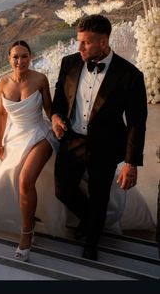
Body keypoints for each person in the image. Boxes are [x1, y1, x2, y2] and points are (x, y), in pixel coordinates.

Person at [51, 14, 148, 261]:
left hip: (105, 147)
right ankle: (90, 219)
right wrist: (54, 117)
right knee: (62, 190)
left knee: (99, 196)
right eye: (78, 41)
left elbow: (137, 122)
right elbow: (59, 101)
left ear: (104, 42)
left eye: (86, 42)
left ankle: (92, 242)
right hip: (72, 142)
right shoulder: (69, 63)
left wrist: (131, 163)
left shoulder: (130, 75)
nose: (79, 47)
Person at [0, 40, 64, 262]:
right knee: (1, 180)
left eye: (24, 56)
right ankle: (31, 219)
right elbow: (1, 114)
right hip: (15, 136)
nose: (20, 61)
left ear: (31, 57)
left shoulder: (40, 79)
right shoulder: (2, 83)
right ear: (9, 59)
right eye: (15, 56)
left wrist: (57, 123)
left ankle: (27, 234)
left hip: (40, 134)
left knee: (24, 180)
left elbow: (49, 109)